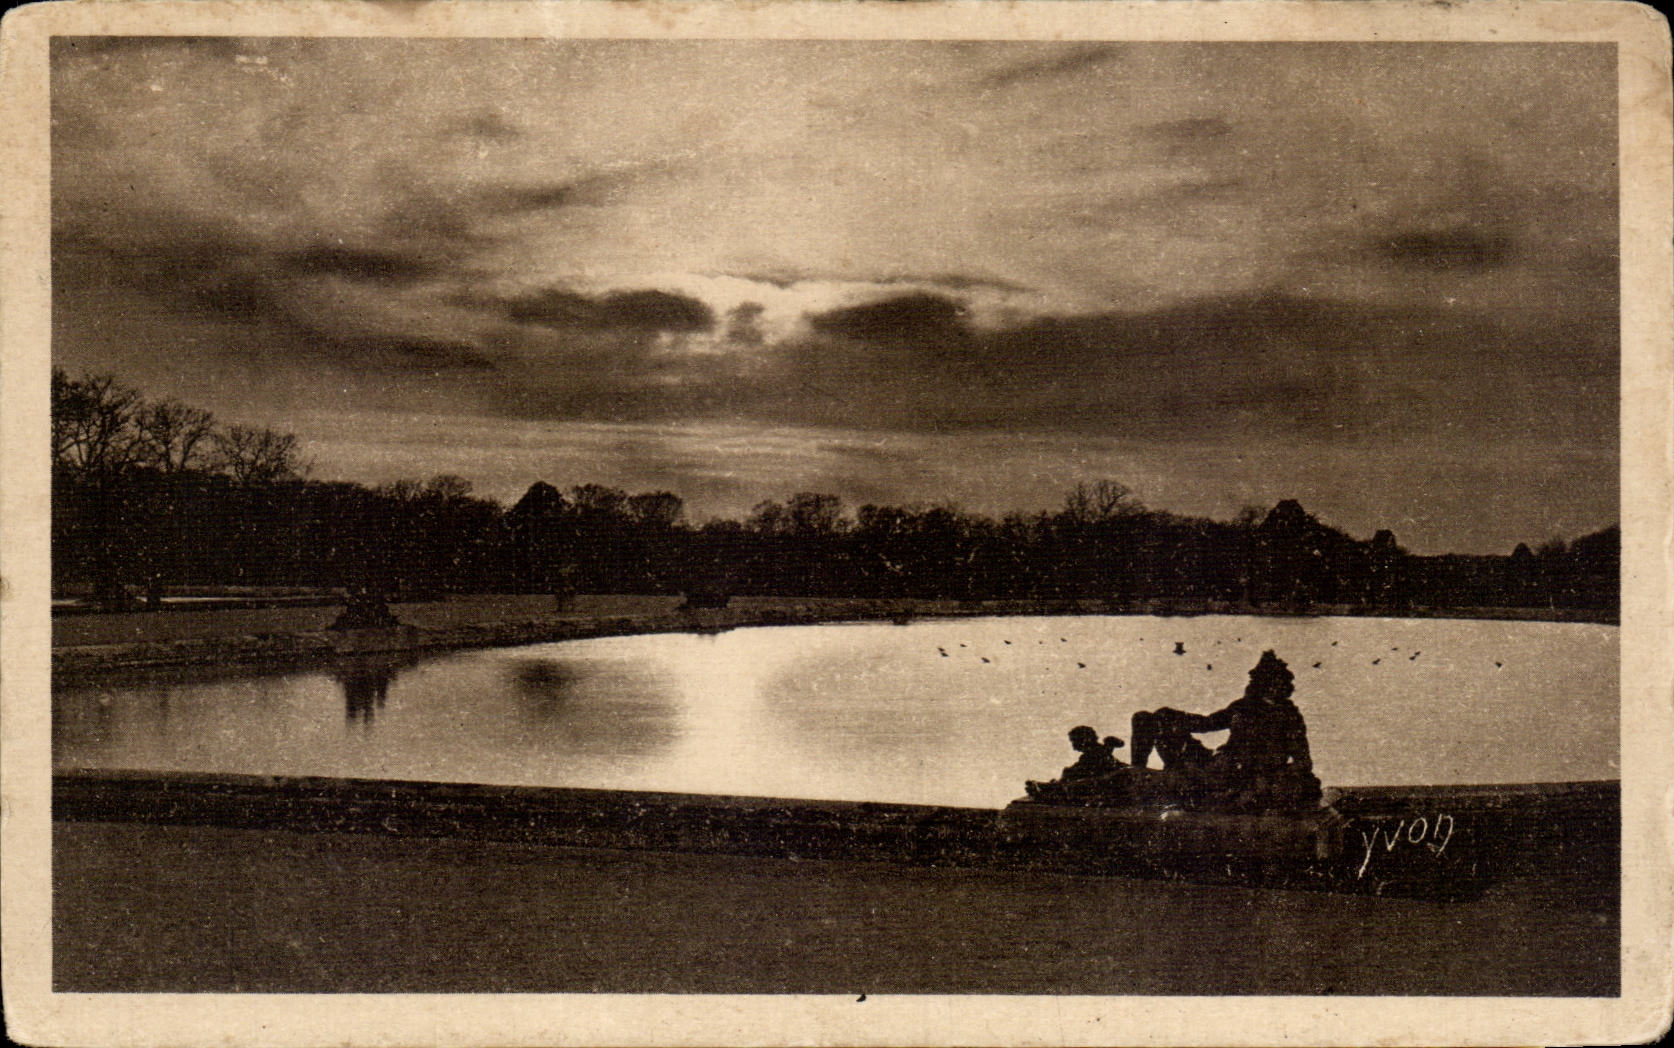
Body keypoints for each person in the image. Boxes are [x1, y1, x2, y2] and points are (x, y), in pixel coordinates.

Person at [1128, 649, 1320, 811]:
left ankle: (1142, 780)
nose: (1274, 689)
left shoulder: (1289, 716)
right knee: (1148, 718)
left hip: (1237, 776)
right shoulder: (1244, 706)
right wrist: (1175, 716)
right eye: (1269, 684)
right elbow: (1208, 723)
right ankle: (1137, 771)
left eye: (1278, 684)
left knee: (1160, 726)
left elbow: (1303, 760)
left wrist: (1270, 777)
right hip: (1220, 765)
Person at [1060, 725, 1124, 781]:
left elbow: (1084, 768)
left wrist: (1068, 772)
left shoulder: (1095, 753)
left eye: (1074, 741)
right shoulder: (1096, 752)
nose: (1073, 745)